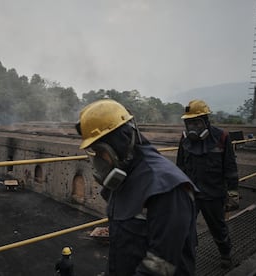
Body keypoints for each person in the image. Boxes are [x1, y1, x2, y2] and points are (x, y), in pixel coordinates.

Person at [76, 99, 198, 276]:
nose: (99, 162)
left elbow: (160, 265)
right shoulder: (125, 176)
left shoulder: (166, 186)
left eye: (101, 152)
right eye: (94, 154)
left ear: (120, 143)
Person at [176, 99, 239, 269]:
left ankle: (225, 253)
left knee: (218, 228)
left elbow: (230, 167)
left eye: (196, 122)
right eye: (189, 123)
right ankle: (188, 260)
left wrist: (232, 192)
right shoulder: (185, 140)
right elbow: (180, 167)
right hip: (191, 194)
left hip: (213, 195)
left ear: (206, 121)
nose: (193, 128)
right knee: (185, 230)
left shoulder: (222, 137)